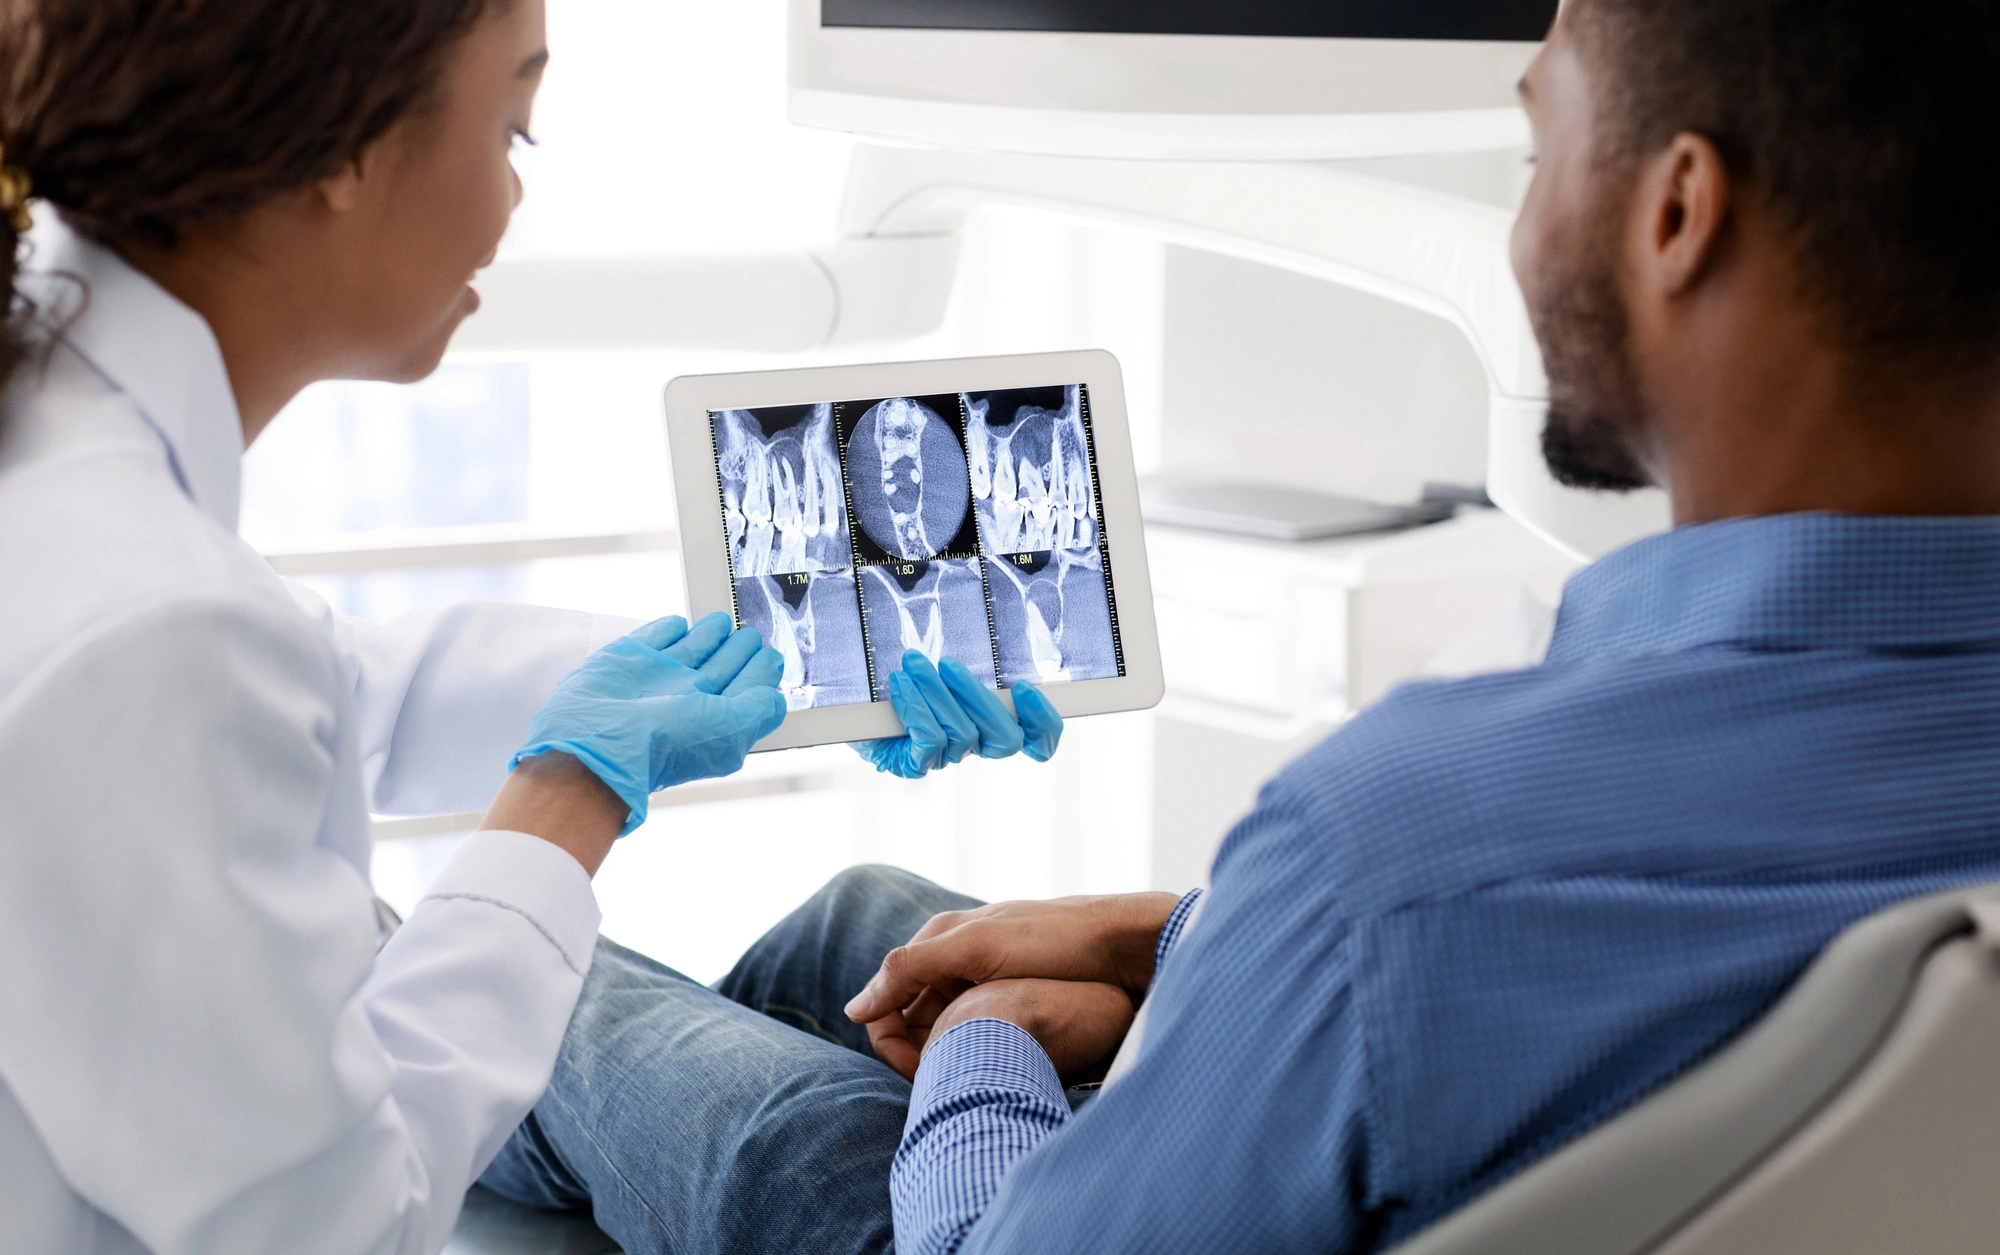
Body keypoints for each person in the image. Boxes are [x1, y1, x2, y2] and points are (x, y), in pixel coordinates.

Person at [470, 0, 2000, 1252]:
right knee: (868, 916)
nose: (1524, 233)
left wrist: (999, 1040)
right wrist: (1167, 936)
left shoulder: (1395, 840)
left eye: (1535, 153)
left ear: (1676, 213)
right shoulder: (1436, 867)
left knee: (535, 988)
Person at [0, 3, 1055, 1253]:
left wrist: (796, 674)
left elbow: (324, 687)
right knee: (825, 1073)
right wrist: (568, 793)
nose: (509, 202)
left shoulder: (73, 463)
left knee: (861, 918)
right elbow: (335, 1225)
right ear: (345, 149)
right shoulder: (146, 614)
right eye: (513, 128)